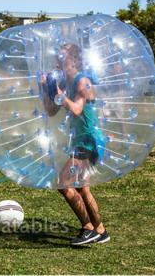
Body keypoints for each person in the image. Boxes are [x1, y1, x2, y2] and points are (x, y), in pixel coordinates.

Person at [42, 43, 110, 246]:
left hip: (88, 141)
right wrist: (47, 89)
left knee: (64, 184)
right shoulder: (66, 82)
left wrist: (61, 95)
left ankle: (88, 228)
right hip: (80, 139)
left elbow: (77, 109)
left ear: (74, 60)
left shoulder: (82, 82)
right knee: (83, 188)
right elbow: (51, 111)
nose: (58, 61)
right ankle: (100, 230)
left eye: (62, 57)